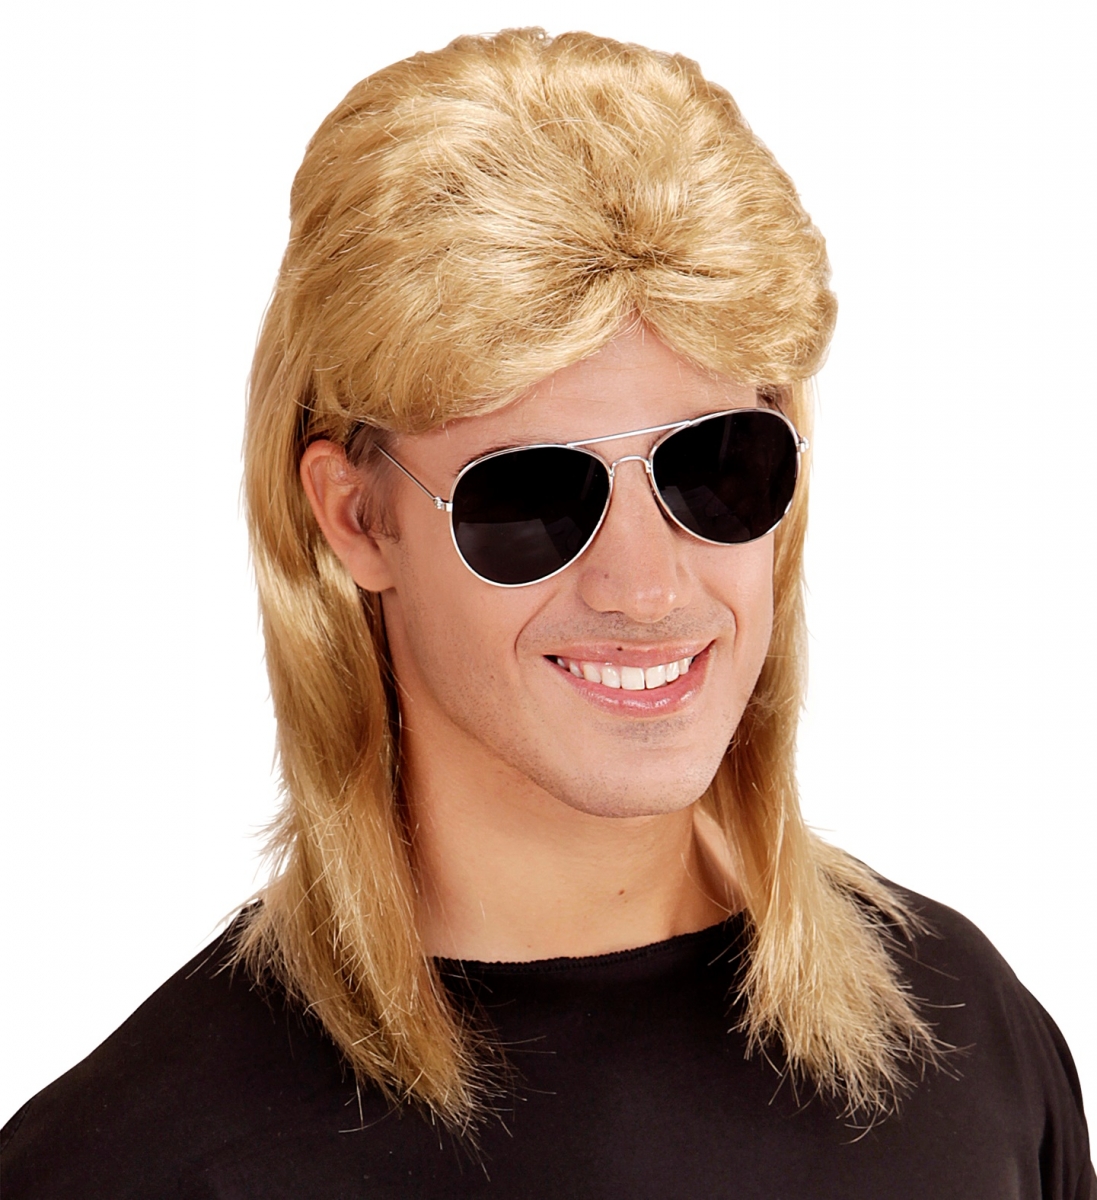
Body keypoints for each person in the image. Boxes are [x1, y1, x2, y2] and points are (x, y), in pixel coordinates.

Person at [2, 27, 1092, 1199]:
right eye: (530, 497)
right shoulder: (132, 1167)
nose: (646, 587)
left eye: (715, 467)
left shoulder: (960, 1043)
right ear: (358, 519)